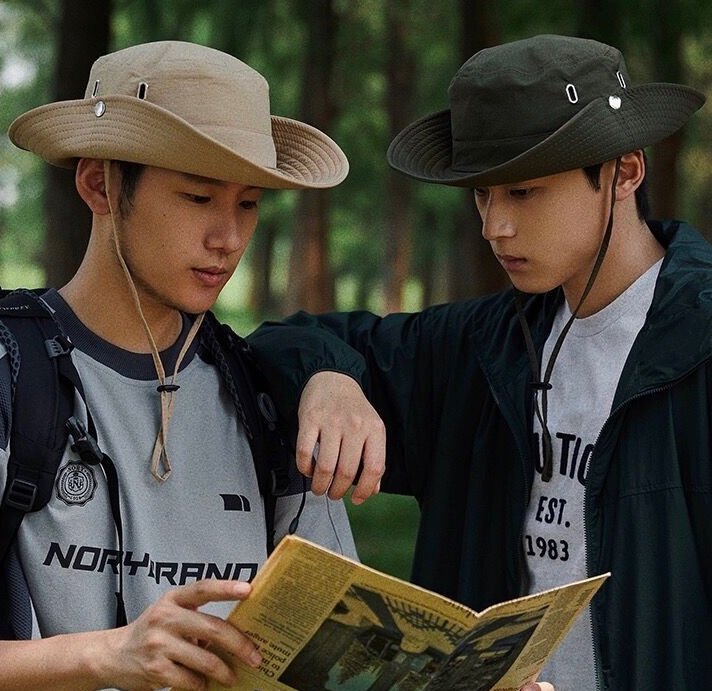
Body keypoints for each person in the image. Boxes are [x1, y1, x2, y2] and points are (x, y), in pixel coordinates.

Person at [247, 34, 712, 689]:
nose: (495, 226)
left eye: (523, 192)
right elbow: (284, 340)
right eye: (482, 195)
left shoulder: (698, 342)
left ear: (624, 172)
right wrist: (330, 379)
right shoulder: (484, 345)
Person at [0, 39, 385, 691]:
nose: (228, 239)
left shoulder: (269, 401)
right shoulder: (13, 375)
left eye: (248, 203)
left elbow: (339, 659)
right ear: (99, 183)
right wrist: (103, 654)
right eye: (198, 198)